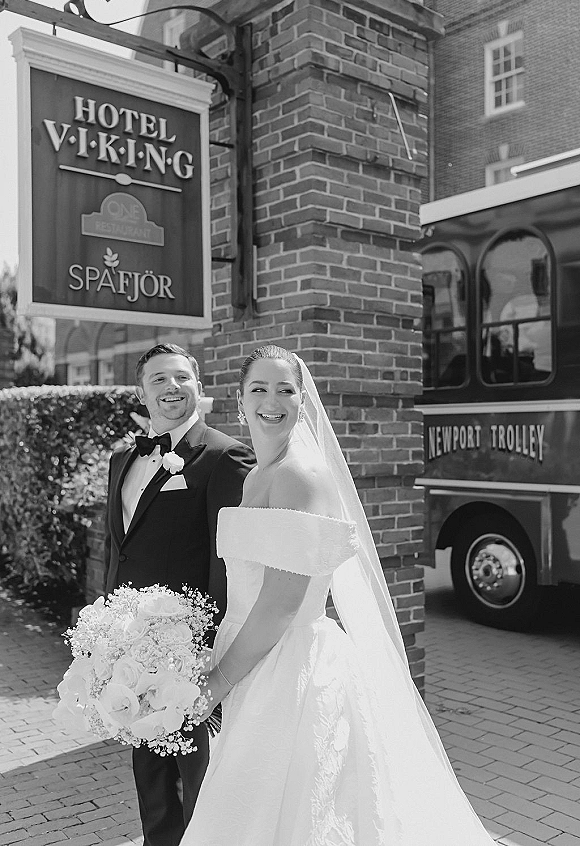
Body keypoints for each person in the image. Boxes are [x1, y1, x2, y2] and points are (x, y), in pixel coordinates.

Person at [180, 344, 498, 845]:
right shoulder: (258, 475)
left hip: (289, 668)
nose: (272, 400)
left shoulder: (297, 477)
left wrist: (215, 683)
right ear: (238, 401)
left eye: (286, 389)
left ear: (303, 402)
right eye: (258, 388)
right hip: (253, 657)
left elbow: (283, 603)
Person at [103, 343, 255, 846]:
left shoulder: (224, 456)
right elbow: (119, 547)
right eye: (158, 380)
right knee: (148, 764)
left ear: (198, 385)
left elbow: (226, 559)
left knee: (197, 770)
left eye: (180, 378)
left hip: (189, 643)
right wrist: (108, 625)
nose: (171, 388)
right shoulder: (123, 458)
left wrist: (210, 643)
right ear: (141, 392)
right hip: (131, 642)